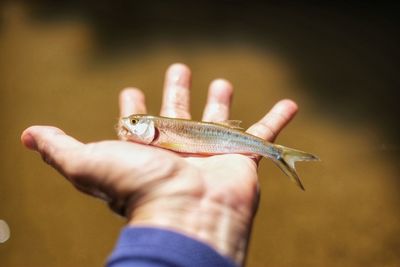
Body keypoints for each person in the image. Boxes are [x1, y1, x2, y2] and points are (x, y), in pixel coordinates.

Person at [21, 63, 298, 267]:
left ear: (151, 126)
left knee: (273, 151)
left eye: (134, 123)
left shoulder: (162, 131)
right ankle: (277, 153)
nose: (128, 126)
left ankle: (277, 153)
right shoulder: (159, 136)